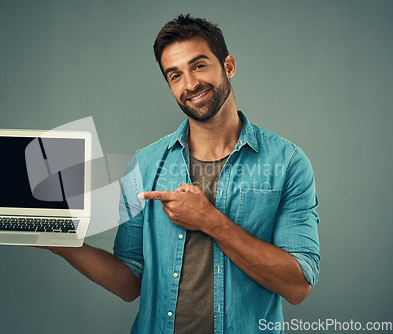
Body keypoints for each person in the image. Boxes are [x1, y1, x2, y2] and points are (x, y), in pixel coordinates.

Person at [40, 14, 320, 334]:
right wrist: (60, 243)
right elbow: (131, 282)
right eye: (175, 75)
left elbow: (298, 287)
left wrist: (211, 221)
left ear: (228, 65)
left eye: (199, 65)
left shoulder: (288, 164)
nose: (190, 84)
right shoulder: (145, 164)